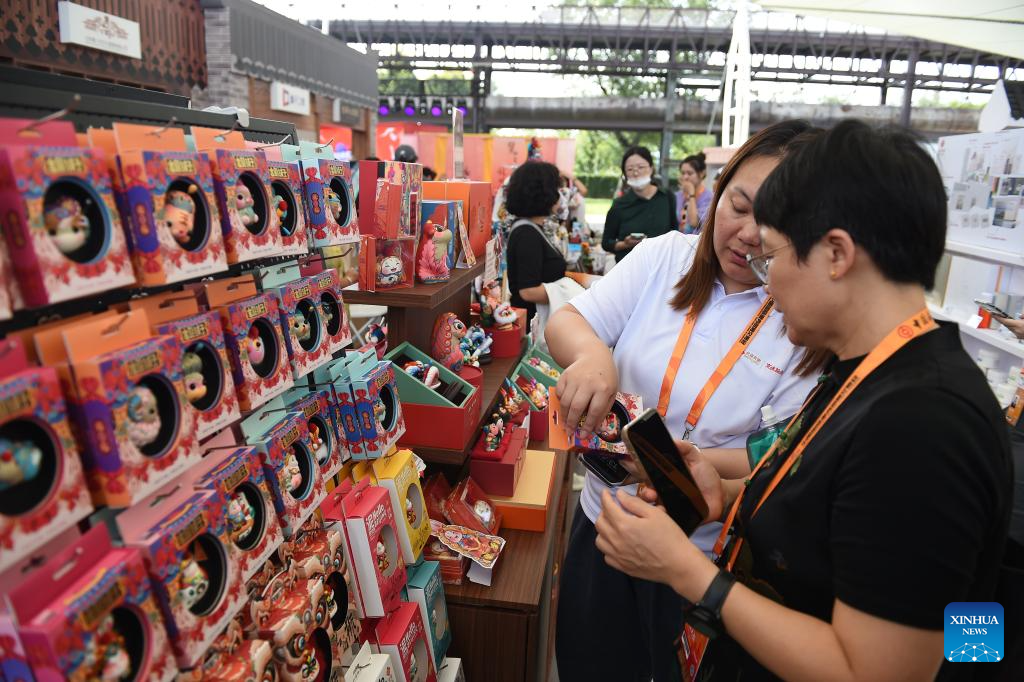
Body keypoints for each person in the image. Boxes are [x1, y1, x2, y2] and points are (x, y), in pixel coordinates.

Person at [594, 120, 1014, 682]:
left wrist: (688, 574)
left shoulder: (922, 425)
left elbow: (877, 673)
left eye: (771, 258)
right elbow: (833, 512)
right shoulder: (867, 372)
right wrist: (728, 493)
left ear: (836, 253)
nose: (767, 286)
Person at [547, 121, 828, 682]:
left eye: (774, 224)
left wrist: (665, 461)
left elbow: (774, 455)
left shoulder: (800, 317)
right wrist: (593, 356)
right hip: (604, 520)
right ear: (715, 195)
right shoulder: (664, 258)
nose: (747, 235)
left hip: (698, 555)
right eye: (738, 206)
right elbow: (568, 321)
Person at [504, 161, 569, 325]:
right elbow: (528, 291)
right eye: (556, 189)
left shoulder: (532, 229)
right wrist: (572, 293)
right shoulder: (527, 234)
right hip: (532, 325)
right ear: (543, 193)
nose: (559, 196)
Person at [602, 146, 677, 262]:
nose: (636, 173)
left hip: (661, 264)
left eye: (641, 167)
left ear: (651, 169)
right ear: (625, 174)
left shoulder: (667, 197)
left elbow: (675, 233)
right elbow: (606, 243)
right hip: (629, 266)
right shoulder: (619, 205)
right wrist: (625, 244)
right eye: (630, 169)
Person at [677, 152, 712, 234]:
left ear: (701, 174)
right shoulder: (677, 196)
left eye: (690, 173)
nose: (685, 177)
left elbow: (694, 223)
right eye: (683, 173)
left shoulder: (709, 197)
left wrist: (691, 194)